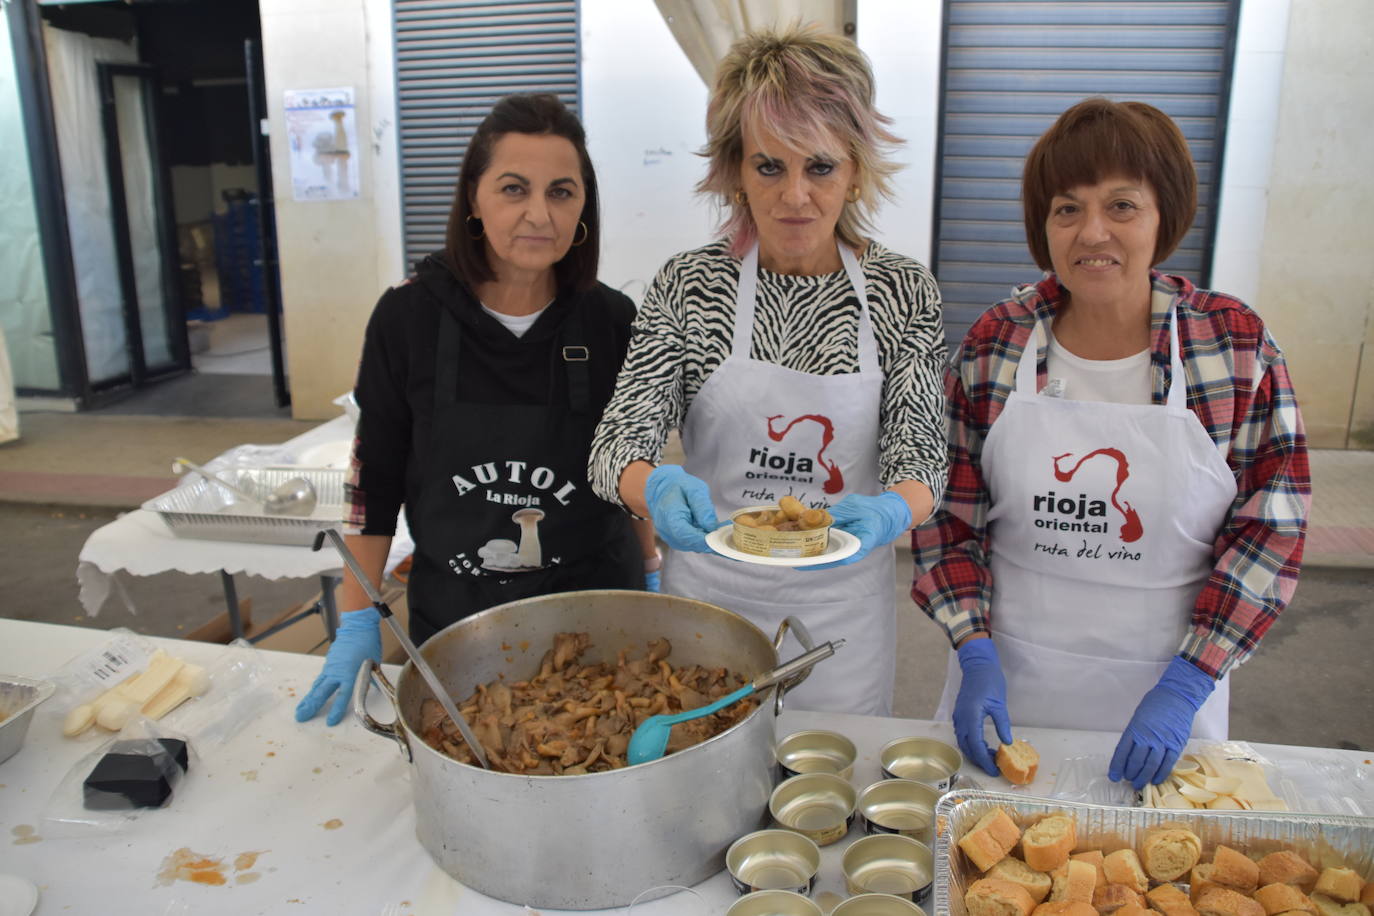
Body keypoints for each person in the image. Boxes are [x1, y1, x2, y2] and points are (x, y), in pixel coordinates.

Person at [912, 98, 1309, 788]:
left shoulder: (1234, 345)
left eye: (1122, 206)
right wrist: (973, 649)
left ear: (1164, 217)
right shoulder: (996, 344)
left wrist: (1189, 681)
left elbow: (1272, 527)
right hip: (1010, 693)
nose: (1092, 231)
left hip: (1170, 701)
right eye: (1068, 208)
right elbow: (948, 520)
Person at [588, 26, 949, 716]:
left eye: (819, 166)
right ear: (732, 170)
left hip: (841, 616)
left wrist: (892, 509)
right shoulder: (691, 285)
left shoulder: (903, 291)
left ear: (855, 169)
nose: (794, 197)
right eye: (768, 167)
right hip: (712, 605)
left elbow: (924, 458)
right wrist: (652, 486)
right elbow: (613, 449)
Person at [297, 94, 659, 726]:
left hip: (600, 615)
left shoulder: (611, 321)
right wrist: (358, 615)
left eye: (562, 192)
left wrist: (653, 572)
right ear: (473, 198)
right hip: (462, 626)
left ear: (583, 209)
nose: (538, 214)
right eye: (514, 188)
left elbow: (632, 461)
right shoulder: (407, 317)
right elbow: (374, 479)